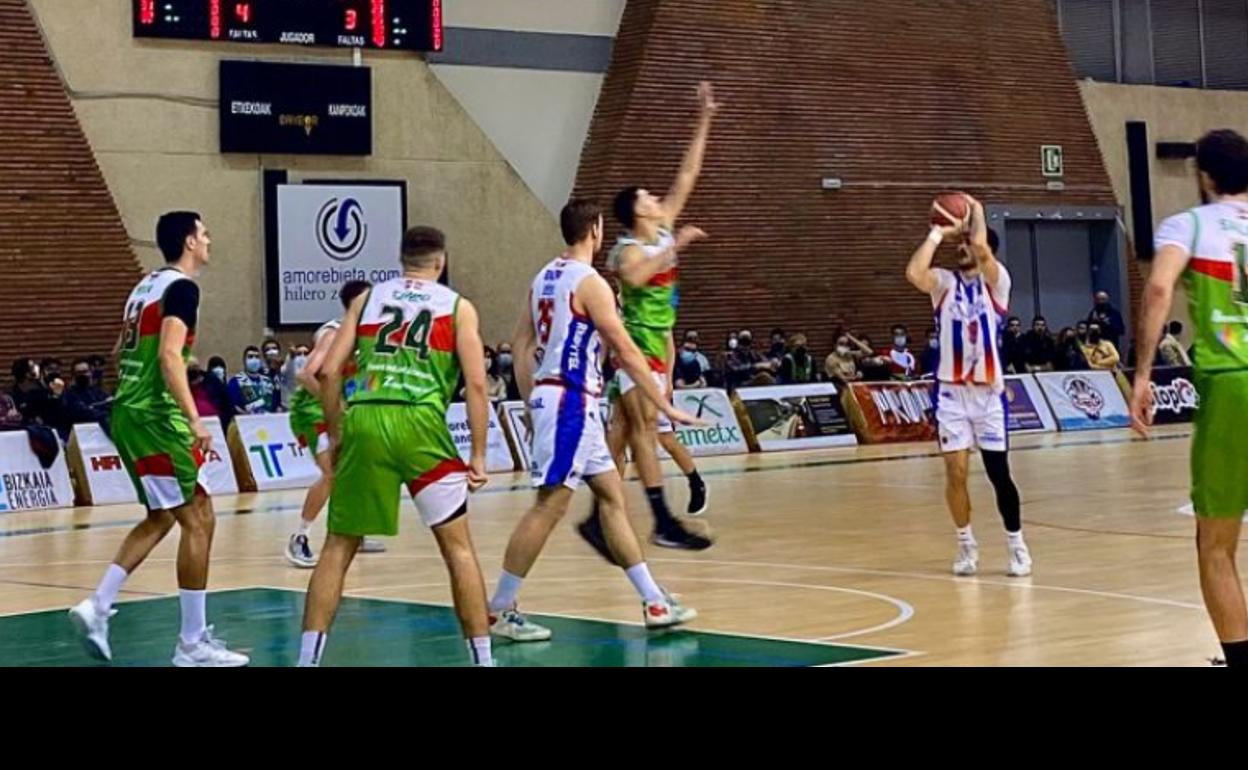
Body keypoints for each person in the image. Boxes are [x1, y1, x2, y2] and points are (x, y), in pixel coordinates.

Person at [487, 200, 702, 643]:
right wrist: (664, 404)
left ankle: (654, 601)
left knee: (610, 497)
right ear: (596, 230)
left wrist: (531, 400)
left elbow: (520, 343)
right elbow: (624, 349)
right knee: (550, 505)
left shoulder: (544, 276)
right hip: (569, 401)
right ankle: (499, 609)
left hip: (568, 400)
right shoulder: (591, 283)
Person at [298, 226, 495, 667]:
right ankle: (483, 660)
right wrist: (478, 454)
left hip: (366, 417)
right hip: (421, 424)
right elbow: (477, 385)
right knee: (458, 549)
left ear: (400, 259)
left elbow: (329, 373)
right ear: (440, 263)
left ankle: (306, 660)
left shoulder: (366, 300)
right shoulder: (458, 307)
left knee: (337, 547)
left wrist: (336, 433)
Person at [69, 211, 248, 666]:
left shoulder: (144, 287)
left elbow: (119, 351)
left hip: (129, 409)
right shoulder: (182, 289)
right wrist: (194, 418)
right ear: (189, 241)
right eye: (204, 233)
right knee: (199, 515)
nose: (209, 239)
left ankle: (98, 605)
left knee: (163, 515)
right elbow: (169, 356)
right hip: (155, 414)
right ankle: (191, 645)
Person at [579, 80, 719, 551]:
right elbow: (636, 280)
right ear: (635, 213)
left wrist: (704, 119)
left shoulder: (658, 229)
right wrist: (676, 247)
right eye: (647, 199)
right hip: (633, 346)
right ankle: (661, 520)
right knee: (642, 429)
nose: (658, 200)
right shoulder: (624, 250)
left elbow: (688, 176)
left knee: (621, 430)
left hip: (658, 343)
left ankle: (600, 518)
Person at [1130, 129, 1248, 668]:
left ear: (1204, 176)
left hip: (1232, 381)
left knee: (1216, 542)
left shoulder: (1189, 224)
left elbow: (1159, 289)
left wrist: (1143, 374)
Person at [906, 195, 1031, 578]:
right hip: (951, 394)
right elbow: (914, 272)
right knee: (955, 473)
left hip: (988, 395)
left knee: (999, 474)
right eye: (958, 247)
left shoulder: (998, 283)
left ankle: (1016, 543)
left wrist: (974, 209)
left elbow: (979, 244)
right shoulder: (943, 284)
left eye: (967, 245)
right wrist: (936, 232)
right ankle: (966, 544)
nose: (962, 250)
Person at [284, 280, 385, 569]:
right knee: (331, 475)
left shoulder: (364, 337)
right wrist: (336, 404)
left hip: (335, 410)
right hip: (312, 411)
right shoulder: (333, 333)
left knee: (356, 468)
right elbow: (306, 375)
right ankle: (299, 538)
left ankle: (355, 531)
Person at [227, 346, 278, 414]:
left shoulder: (268, 381)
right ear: (244, 361)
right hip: (246, 420)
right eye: (250, 357)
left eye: (257, 357)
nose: (254, 359)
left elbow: (275, 405)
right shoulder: (236, 381)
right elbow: (234, 406)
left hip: (269, 420)